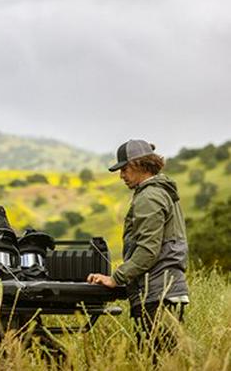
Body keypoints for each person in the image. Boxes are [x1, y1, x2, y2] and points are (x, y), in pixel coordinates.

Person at [87, 139, 189, 352]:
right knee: (168, 361)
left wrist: (116, 278)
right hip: (168, 292)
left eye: (124, 168)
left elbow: (148, 250)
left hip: (156, 295)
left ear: (140, 164)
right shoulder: (163, 192)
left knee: (156, 361)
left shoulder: (149, 196)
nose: (121, 176)